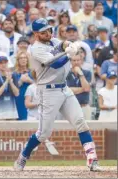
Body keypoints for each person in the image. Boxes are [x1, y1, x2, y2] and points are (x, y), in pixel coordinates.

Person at [14, 18, 101, 172]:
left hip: (64, 88)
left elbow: (61, 43)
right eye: (43, 32)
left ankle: (92, 159)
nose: (48, 33)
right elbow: (55, 64)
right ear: (36, 34)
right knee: (44, 133)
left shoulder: (52, 40)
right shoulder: (35, 49)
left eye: (49, 30)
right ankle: (23, 156)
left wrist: (69, 45)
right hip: (48, 91)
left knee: (80, 121)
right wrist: (68, 55)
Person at [0, 56, 19, 120]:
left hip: (12, 112)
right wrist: (6, 82)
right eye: (1, 63)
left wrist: (11, 82)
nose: (3, 65)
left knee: (13, 129)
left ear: (7, 63)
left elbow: (17, 93)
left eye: (5, 62)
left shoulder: (13, 75)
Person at [67, 54, 92, 120]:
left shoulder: (87, 73)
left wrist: (80, 73)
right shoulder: (66, 74)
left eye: (78, 60)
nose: (76, 62)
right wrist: (82, 89)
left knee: (86, 129)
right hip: (70, 107)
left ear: (81, 61)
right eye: (74, 60)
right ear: (70, 61)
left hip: (84, 107)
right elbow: (67, 90)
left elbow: (87, 88)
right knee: (70, 130)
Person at [13, 51, 33, 120]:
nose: (23, 59)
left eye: (25, 58)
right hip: (19, 100)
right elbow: (13, 89)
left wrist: (29, 80)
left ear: (27, 60)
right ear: (18, 61)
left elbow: (37, 86)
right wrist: (21, 80)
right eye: (21, 58)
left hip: (30, 99)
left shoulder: (32, 72)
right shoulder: (14, 74)